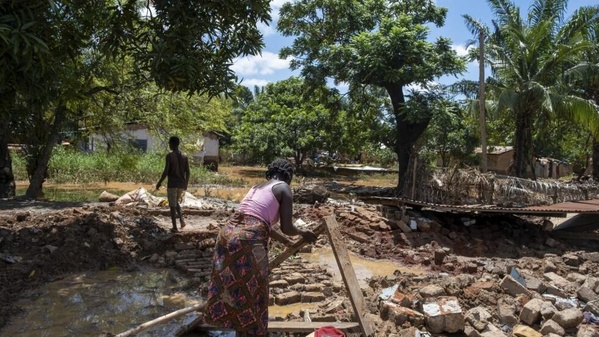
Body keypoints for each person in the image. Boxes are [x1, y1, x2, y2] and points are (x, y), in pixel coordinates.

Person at [204, 159, 318, 336]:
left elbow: (261, 221)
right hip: (248, 239)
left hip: (227, 235)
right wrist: (304, 233)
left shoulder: (257, 187)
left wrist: (286, 242)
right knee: (255, 287)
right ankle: (252, 331)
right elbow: (286, 227)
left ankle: (232, 326)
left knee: (233, 285)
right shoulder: (283, 188)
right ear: (288, 176)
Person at [156, 136, 190, 233]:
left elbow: (166, 171)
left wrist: (159, 182)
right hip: (181, 184)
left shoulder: (170, 156)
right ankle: (182, 220)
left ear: (172, 144)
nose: (169, 145)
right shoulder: (185, 156)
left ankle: (175, 227)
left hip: (172, 184)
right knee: (176, 202)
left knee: (172, 205)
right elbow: (188, 171)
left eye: (169, 143)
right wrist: (186, 183)